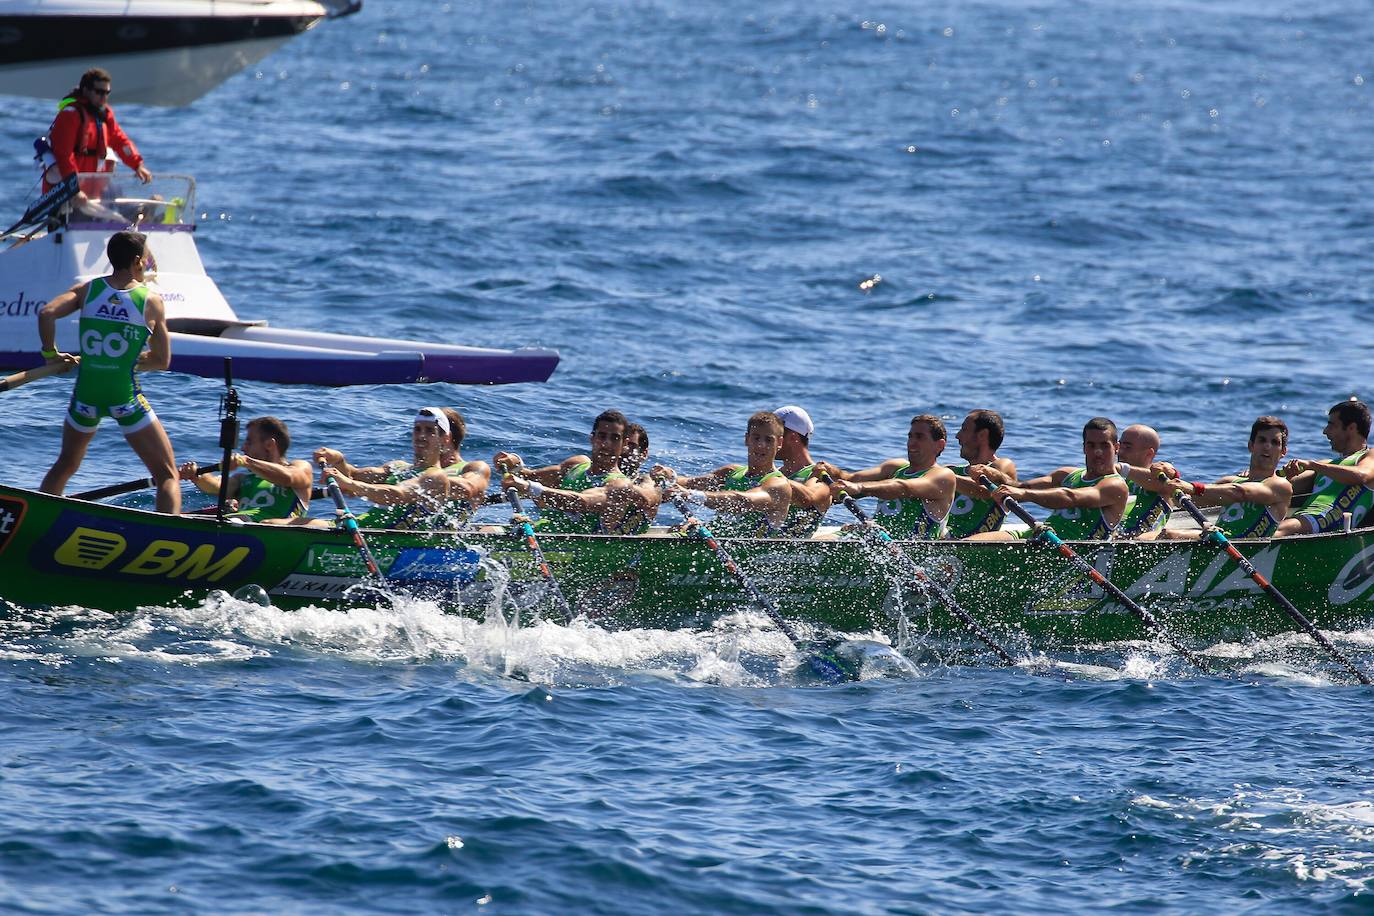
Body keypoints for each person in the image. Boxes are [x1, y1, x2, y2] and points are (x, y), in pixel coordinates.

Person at [38, 230, 179, 513]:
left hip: (86, 396)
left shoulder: (88, 290)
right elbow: (162, 361)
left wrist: (50, 355)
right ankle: (170, 537)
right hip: (123, 397)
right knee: (167, 475)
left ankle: (36, 516)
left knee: (66, 464)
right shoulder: (151, 301)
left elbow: (47, 313)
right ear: (137, 260)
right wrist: (129, 360)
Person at [310, 407, 489, 529]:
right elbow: (353, 475)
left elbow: (469, 489)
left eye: (430, 431)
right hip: (363, 526)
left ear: (447, 438)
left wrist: (351, 485)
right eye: (417, 429)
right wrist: (339, 461)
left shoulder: (465, 469)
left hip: (402, 539)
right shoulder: (399, 467)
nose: (421, 436)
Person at [966, 417, 1128, 541]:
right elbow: (1019, 485)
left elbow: (1071, 497)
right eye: (1091, 445)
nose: (1098, 452)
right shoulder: (1066, 475)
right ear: (1084, 447)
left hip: (1069, 550)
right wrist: (994, 474)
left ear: (1116, 447)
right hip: (1039, 536)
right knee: (966, 545)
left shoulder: (1115, 485)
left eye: (1104, 446)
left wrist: (1023, 495)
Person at [497, 410, 655, 534]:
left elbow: (581, 502)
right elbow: (527, 476)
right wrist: (514, 464)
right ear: (592, 438)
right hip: (539, 531)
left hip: (573, 549)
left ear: (624, 443)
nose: (606, 444)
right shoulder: (576, 465)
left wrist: (529, 487)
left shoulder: (620, 484)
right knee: (487, 531)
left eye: (614, 438)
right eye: (601, 436)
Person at [653, 411, 792, 537]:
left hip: (745, 553)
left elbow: (742, 501)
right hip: (713, 540)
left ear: (779, 443)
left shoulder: (778, 485)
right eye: (756, 438)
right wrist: (668, 477)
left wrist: (690, 495)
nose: (761, 445)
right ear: (747, 439)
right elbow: (689, 483)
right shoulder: (731, 473)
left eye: (769, 440)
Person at [817, 414, 955, 540]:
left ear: (939, 445)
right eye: (910, 436)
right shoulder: (895, 467)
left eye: (919, 437)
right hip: (875, 539)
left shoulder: (943, 476)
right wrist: (831, 471)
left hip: (908, 551)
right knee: (819, 541)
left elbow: (904, 488)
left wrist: (859, 488)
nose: (911, 442)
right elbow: (850, 479)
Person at [1153, 416, 1292, 540]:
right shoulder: (1229, 482)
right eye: (1262, 440)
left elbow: (1239, 493)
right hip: (1216, 540)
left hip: (1244, 549)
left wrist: (1191, 487)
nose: (1267, 446)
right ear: (1251, 446)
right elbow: (1187, 500)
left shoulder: (1280, 487)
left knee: (1168, 535)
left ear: (1283, 451)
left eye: (1275, 442)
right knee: (1153, 534)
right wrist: (1171, 476)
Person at [43, 68, 152, 214]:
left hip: (93, 190)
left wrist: (137, 164)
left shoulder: (105, 115)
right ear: (86, 90)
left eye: (107, 93)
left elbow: (120, 141)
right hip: (68, 192)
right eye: (99, 92)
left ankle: (144, 214)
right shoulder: (70, 115)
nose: (104, 97)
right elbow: (64, 156)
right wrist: (74, 189)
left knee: (115, 201)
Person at [178, 416, 313, 522]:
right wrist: (196, 476)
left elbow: (288, 477)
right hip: (238, 524)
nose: (243, 448)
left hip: (274, 533)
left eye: (249, 442)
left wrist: (247, 462)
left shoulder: (301, 467)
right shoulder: (243, 479)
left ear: (269, 445)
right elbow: (216, 486)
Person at [1275, 400, 1374, 536]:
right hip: (1303, 520)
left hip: (1333, 527)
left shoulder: (1369, 456)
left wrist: (1313, 465)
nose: (1325, 431)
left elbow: (1361, 475)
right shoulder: (1328, 464)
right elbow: (1282, 488)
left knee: (1280, 529)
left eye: (1331, 425)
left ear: (1351, 428)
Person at [946, 409, 1016, 539]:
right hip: (942, 539)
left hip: (973, 546)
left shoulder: (1002, 466)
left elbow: (984, 492)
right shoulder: (952, 470)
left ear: (982, 435)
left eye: (964, 430)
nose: (957, 436)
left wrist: (943, 477)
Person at [772, 405, 832, 538]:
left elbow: (808, 499)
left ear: (792, 437)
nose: (767, 442)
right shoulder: (775, 473)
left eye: (774, 435)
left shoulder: (818, 477)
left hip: (791, 550)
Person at [1113, 424, 1179, 539]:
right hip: (1113, 536)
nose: (1120, 452)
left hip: (1144, 540)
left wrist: (1121, 469)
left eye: (1127, 447)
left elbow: (1171, 477)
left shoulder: (1161, 474)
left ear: (1149, 453)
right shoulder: (1116, 478)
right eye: (1120, 446)